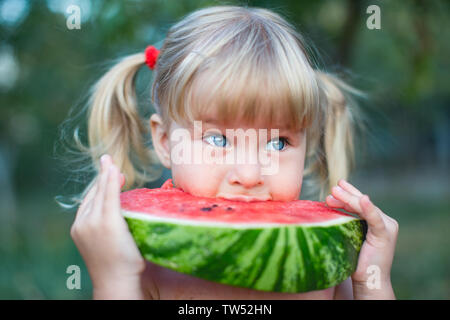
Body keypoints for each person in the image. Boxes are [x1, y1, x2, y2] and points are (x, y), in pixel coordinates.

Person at [68, 5, 398, 299]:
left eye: (277, 143)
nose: (250, 175)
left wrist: (371, 280)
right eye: (218, 140)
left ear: (308, 147)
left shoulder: (324, 268)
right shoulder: (144, 269)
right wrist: (115, 279)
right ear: (166, 142)